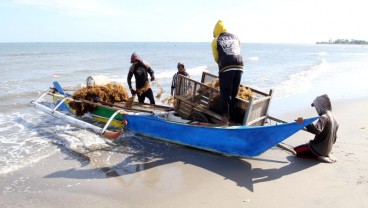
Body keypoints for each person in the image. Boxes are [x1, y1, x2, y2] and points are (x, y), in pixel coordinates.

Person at [211, 20, 244, 125]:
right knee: (233, 93)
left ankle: (225, 119)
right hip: (240, 66)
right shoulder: (236, 37)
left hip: (226, 67)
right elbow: (237, 51)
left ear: (216, 31)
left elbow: (216, 58)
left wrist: (222, 67)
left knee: (225, 93)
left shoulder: (216, 40)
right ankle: (232, 116)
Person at [295, 94, 339, 163]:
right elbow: (334, 138)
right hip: (328, 150)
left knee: (297, 150)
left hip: (317, 150)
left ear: (320, 106)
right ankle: (326, 154)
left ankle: (318, 157)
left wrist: (305, 122)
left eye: (316, 108)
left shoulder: (324, 117)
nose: (316, 110)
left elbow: (317, 130)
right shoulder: (335, 118)